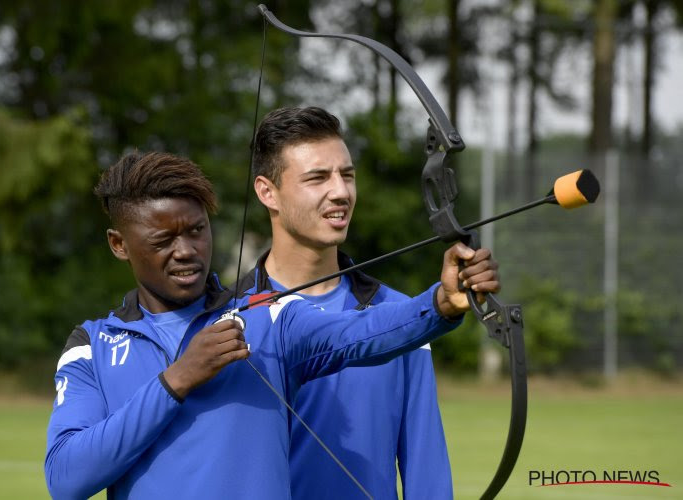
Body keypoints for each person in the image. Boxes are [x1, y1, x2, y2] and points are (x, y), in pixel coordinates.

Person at [44, 151, 499, 500]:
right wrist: (177, 380)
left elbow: (362, 334)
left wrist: (439, 304)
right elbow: (67, 478)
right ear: (120, 244)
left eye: (197, 231)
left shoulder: (268, 315)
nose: (186, 251)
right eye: (163, 239)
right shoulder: (92, 346)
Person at [237, 106, 492, 499]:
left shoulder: (403, 313)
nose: (340, 191)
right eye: (317, 177)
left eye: (347, 175)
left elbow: (425, 465)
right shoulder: (226, 318)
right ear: (267, 192)